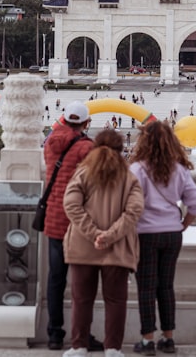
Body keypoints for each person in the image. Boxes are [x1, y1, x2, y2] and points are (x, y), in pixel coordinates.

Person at [62, 129, 144, 357]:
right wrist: (109, 235)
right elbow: (134, 210)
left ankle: (79, 346)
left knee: (81, 298)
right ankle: (113, 348)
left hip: (82, 246)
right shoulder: (129, 177)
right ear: (120, 150)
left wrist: (93, 233)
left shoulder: (83, 172)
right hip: (116, 248)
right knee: (116, 300)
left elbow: (70, 205)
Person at [128, 120, 196, 355]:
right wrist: (183, 224)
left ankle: (147, 339)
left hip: (146, 234)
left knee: (146, 287)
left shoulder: (138, 169)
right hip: (172, 233)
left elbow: (129, 203)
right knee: (166, 286)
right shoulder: (179, 169)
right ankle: (168, 337)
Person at [40, 101, 101, 352]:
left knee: (56, 279)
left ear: (64, 120)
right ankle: (82, 336)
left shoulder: (50, 142)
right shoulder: (87, 148)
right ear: (86, 123)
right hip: (79, 222)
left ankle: (55, 334)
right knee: (82, 283)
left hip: (54, 218)